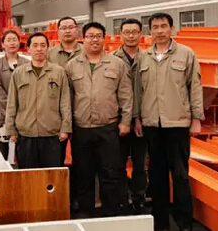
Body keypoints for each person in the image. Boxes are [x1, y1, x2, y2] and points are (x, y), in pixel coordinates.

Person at [138, 13, 204, 231]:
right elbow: (138, 91)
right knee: (156, 176)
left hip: (177, 124)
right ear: (150, 31)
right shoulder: (143, 57)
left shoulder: (186, 54)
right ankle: (161, 223)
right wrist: (137, 118)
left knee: (180, 175)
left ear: (171, 29)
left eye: (163, 26)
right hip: (152, 124)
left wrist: (196, 119)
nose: (159, 30)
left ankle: (184, 223)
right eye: (155, 27)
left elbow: (195, 87)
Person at [65, 22, 133, 217]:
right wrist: (67, 126)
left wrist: (125, 121)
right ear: (83, 39)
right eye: (90, 36)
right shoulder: (72, 65)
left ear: (104, 38)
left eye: (98, 36)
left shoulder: (116, 64)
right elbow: (67, 99)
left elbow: (126, 95)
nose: (94, 40)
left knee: (110, 173)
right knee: (83, 173)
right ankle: (85, 214)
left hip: (108, 128)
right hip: (81, 128)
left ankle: (111, 213)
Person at [5, 32, 72, 169]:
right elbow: (12, 104)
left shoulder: (59, 72)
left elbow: (65, 102)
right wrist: (11, 130)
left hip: (52, 134)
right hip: (26, 134)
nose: (39, 49)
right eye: (35, 45)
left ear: (48, 48)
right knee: (28, 176)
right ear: (28, 49)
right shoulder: (19, 73)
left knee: (52, 176)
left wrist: (65, 128)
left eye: (43, 45)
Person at [113, 18, 147, 213]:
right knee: (117, 163)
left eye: (135, 32)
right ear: (121, 34)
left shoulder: (148, 58)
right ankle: (121, 199)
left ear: (141, 34)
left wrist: (139, 117)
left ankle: (139, 198)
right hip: (119, 121)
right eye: (127, 32)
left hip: (144, 120)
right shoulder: (111, 59)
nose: (131, 36)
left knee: (140, 164)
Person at [47, 16, 85, 166]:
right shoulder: (49, 54)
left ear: (77, 30)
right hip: (57, 111)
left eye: (71, 27)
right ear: (58, 32)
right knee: (56, 155)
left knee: (82, 156)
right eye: (63, 28)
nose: (67, 31)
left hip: (82, 109)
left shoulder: (86, 51)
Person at [0, 30, 29, 160]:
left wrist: (22, 111)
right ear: (3, 44)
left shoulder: (27, 64)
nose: (12, 43)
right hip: (2, 116)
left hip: (25, 116)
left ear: (19, 43)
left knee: (23, 153)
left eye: (14, 40)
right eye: (9, 40)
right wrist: (12, 112)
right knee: (1, 155)